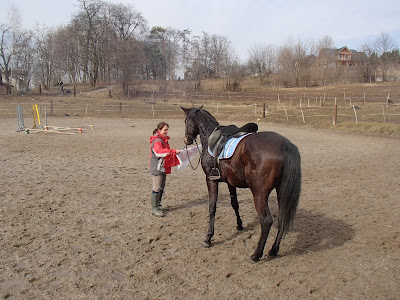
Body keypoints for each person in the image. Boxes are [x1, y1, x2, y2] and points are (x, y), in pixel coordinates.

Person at [149, 122, 181, 217]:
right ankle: (154, 208)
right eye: (164, 130)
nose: (166, 132)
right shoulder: (157, 141)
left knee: (161, 187)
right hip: (157, 167)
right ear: (159, 130)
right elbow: (159, 152)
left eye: (167, 130)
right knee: (156, 187)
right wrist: (173, 151)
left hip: (163, 166)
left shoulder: (163, 140)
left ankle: (158, 205)